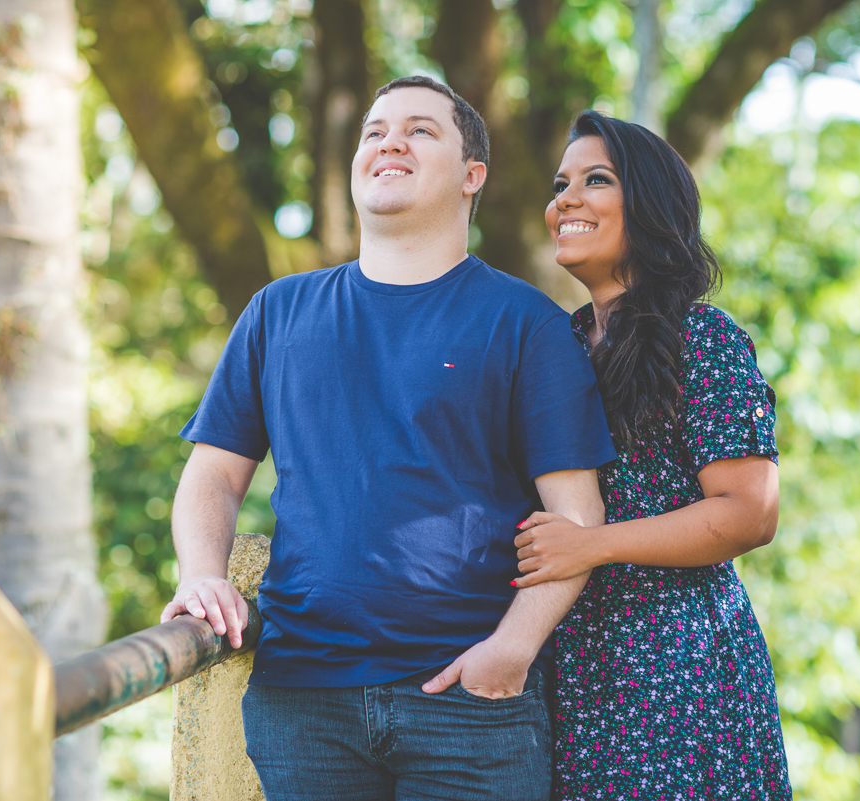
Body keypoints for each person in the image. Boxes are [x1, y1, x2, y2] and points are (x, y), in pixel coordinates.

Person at [160, 77, 616, 801]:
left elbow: (578, 515)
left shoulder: (527, 323)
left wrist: (513, 647)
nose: (388, 141)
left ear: (473, 176)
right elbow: (212, 476)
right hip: (303, 701)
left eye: (420, 130)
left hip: (472, 706)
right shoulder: (277, 312)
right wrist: (201, 573)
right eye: (374, 131)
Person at [516, 109, 791, 800]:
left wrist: (594, 544)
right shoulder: (560, 344)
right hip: (577, 670)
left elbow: (750, 512)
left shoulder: (703, 339)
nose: (565, 200)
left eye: (595, 180)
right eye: (560, 185)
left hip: (681, 672)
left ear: (649, 206)